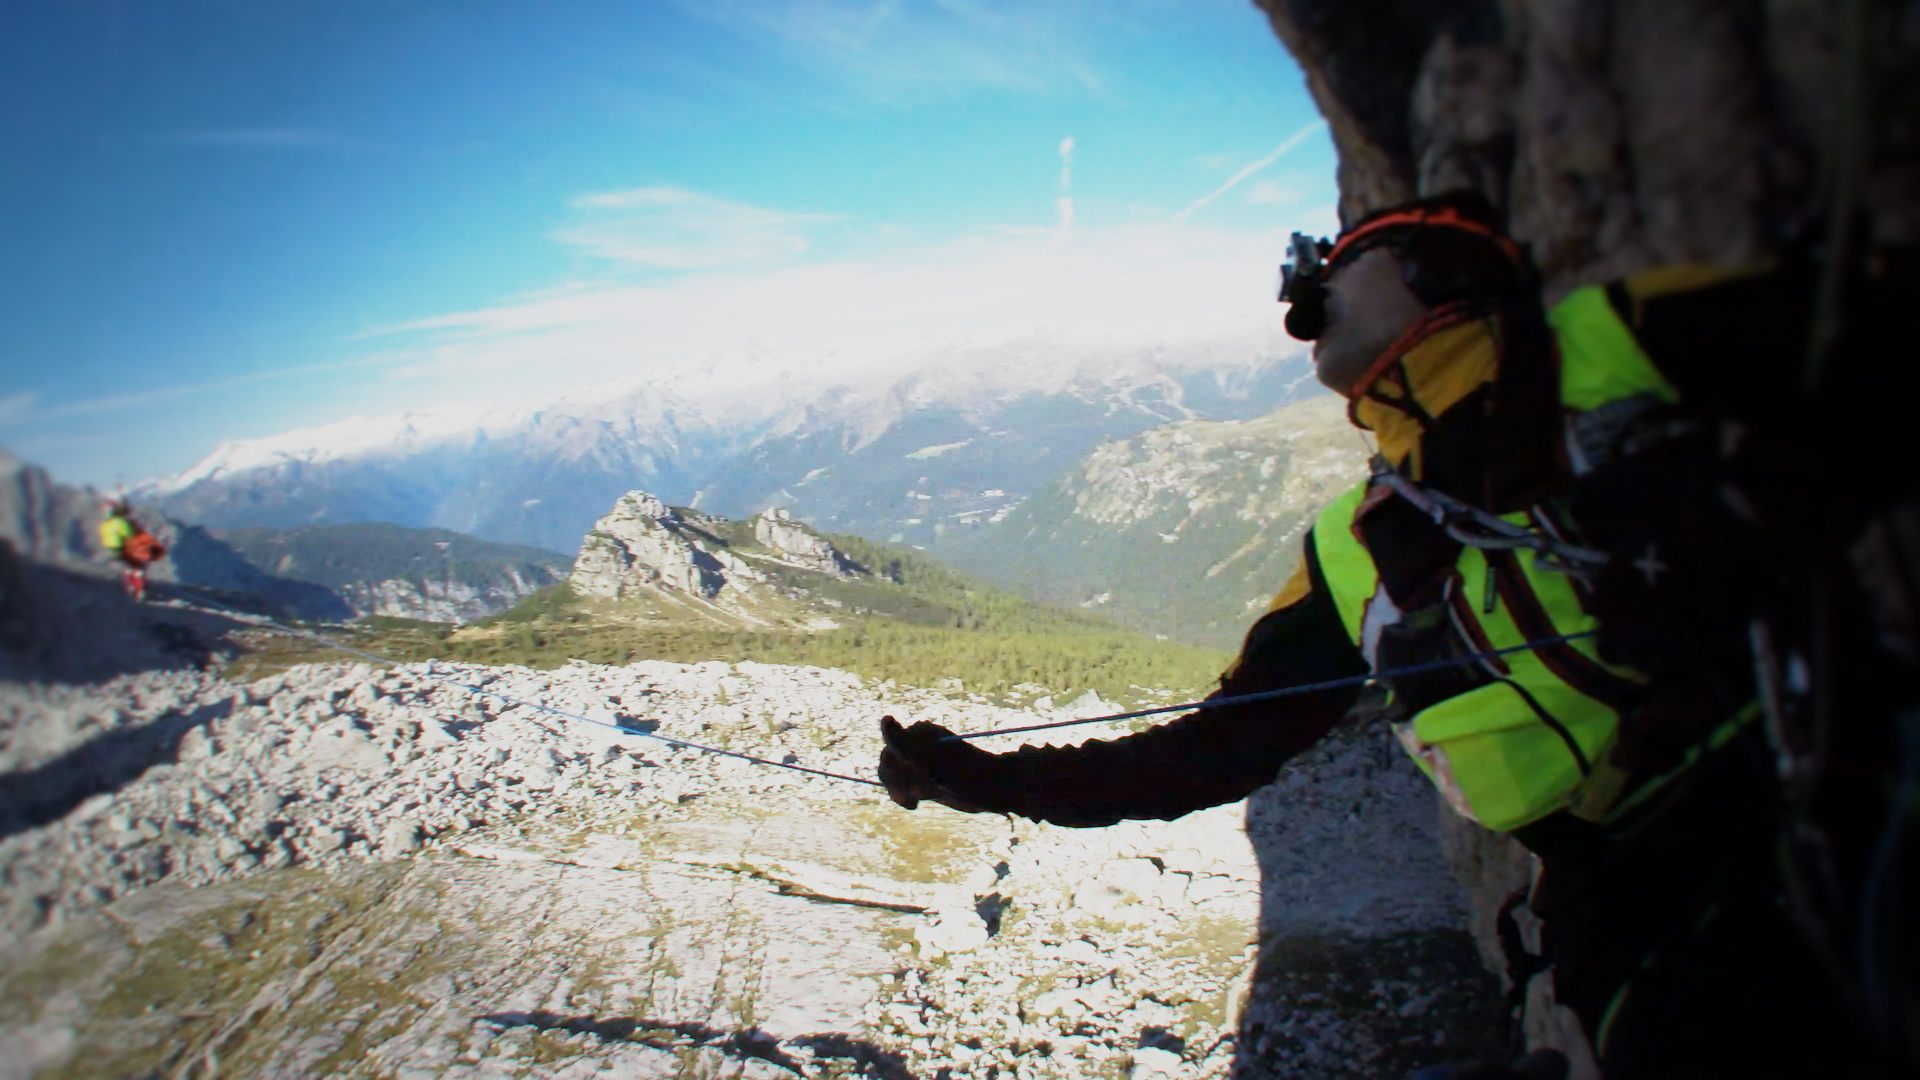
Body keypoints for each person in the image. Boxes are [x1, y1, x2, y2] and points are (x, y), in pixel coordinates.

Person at [877, 193, 1913, 1078]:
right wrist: (989, 781)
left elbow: (1867, 349)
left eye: (1344, 264)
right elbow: (1211, 751)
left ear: (1432, 270)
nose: (1315, 294)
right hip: (1641, 913)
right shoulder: (1350, 544)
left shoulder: (1601, 346)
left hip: (1820, 779)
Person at [99, 499, 164, 601]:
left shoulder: (105, 526)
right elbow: (131, 535)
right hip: (124, 550)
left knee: (128, 567)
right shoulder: (121, 522)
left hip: (113, 552)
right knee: (138, 568)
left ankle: (129, 588)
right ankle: (140, 592)